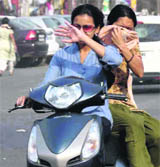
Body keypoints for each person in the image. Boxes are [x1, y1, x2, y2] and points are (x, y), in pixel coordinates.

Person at [16, 3, 123, 133]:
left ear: (97, 29)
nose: (80, 31)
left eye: (87, 28)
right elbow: (47, 83)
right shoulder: (61, 54)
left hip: (96, 116)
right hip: (64, 115)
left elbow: (116, 60)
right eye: (77, 27)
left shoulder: (105, 50)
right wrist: (30, 97)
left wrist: (84, 38)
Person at [99, 4, 160, 167]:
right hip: (106, 102)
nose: (124, 32)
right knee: (132, 124)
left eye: (129, 28)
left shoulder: (131, 43)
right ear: (109, 26)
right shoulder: (98, 43)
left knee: (157, 132)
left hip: (126, 103)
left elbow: (140, 71)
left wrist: (125, 46)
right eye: (119, 27)